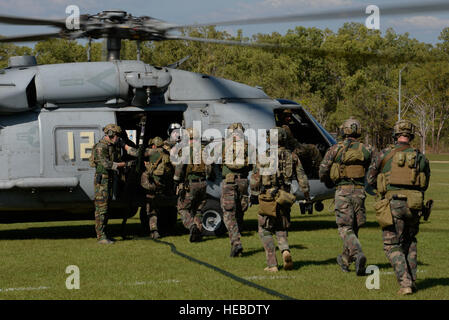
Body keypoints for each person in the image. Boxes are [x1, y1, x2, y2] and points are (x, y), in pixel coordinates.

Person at [366, 119, 431, 295]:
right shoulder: (420, 156)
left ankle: (405, 283)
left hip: (392, 204)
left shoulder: (384, 154)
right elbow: (425, 182)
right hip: (414, 204)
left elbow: (370, 179)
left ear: (396, 135)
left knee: (391, 244)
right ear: (411, 135)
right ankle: (413, 281)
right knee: (410, 242)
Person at [252, 127, 310, 272]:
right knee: (281, 227)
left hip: (267, 197)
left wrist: (254, 193)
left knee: (264, 230)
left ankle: (272, 264)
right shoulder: (293, 157)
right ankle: (285, 250)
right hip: (285, 196)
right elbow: (302, 177)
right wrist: (307, 195)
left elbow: (255, 179)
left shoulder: (263, 156)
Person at [319, 118, 372, 276]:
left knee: (345, 228)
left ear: (344, 130)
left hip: (343, 191)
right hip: (360, 192)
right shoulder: (367, 149)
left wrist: (328, 180)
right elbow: (375, 168)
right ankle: (344, 259)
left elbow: (323, 170)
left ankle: (357, 254)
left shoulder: (336, 148)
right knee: (354, 228)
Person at [90, 124, 131, 244]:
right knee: (101, 209)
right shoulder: (101, 147)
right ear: (110, 134)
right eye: (116, 135)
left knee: (106, 208)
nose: (118, 138)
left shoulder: (112, 146)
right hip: (102, 180)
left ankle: (104, 234)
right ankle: (101, 236)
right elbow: (107, 164)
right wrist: (125, 164)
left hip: (108, 180)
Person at [173, 127, 211, 242]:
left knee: (182, 208)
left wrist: (176, 180)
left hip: (190, 183)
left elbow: (179, 167)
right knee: (198, 209)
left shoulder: (185, 150)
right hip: (203, 183)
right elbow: (209, 168)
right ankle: (198, 233)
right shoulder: (204, 150)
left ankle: (191, 226)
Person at [221, 123, 253, 257]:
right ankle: (238, 237)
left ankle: (236, 242)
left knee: (229, 213)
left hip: (228, 182)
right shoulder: (248, 146)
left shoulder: (224, 145)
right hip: (243, 182)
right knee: (240, 212)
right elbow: (253, 165)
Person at [140, 136, 175, 239]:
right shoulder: (167, 154)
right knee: (160, 208)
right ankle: (164, 228)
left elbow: (137, 153)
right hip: (163, 187)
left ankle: (154, 231)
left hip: (152, 186)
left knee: (151, 210)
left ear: (154, 145)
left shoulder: (152, 152)